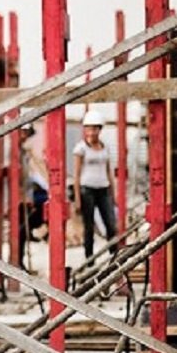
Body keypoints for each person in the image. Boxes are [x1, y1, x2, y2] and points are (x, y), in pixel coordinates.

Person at [73, 109, 117, 258]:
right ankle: (89, 259)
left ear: (100, 129)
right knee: (89, 227)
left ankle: (114, 256)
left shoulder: (105, 148)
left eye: (95, 128)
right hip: (87, 190)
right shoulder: (81, 148)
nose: (92, 132)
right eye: (89, 128)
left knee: (111, 225)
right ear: (85, 129)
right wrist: (77, 199)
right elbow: (77, 175)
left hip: (103, 189)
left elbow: (108, 171)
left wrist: (113, 193)